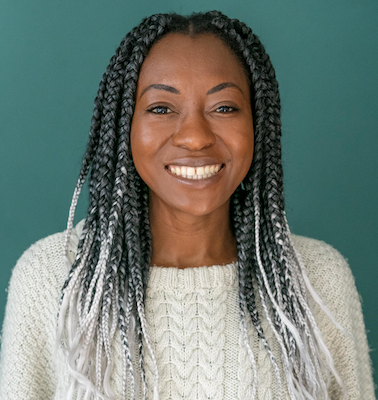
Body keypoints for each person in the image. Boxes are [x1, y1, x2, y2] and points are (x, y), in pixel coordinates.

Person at [0, 10, 374, 400]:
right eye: (161, 108)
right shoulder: (55, 280)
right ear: (124, 126)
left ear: (258, 123)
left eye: (224, 107)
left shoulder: (316, 283)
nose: (195, 137)